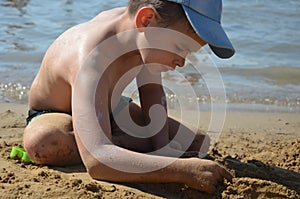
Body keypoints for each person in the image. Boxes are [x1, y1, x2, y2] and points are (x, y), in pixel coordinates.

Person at [23, 0, 235, 194]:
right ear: (146, 19)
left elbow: (151, 92)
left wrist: (163, 149)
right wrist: (180, 169)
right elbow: (96, 163)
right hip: (56, 113)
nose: (182, 61)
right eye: (180, 47)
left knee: (196, 141)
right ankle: (109, 148)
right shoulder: (90, 56)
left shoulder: (146, 34)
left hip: (111, 106)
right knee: (44, 143)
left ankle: (116, 149)